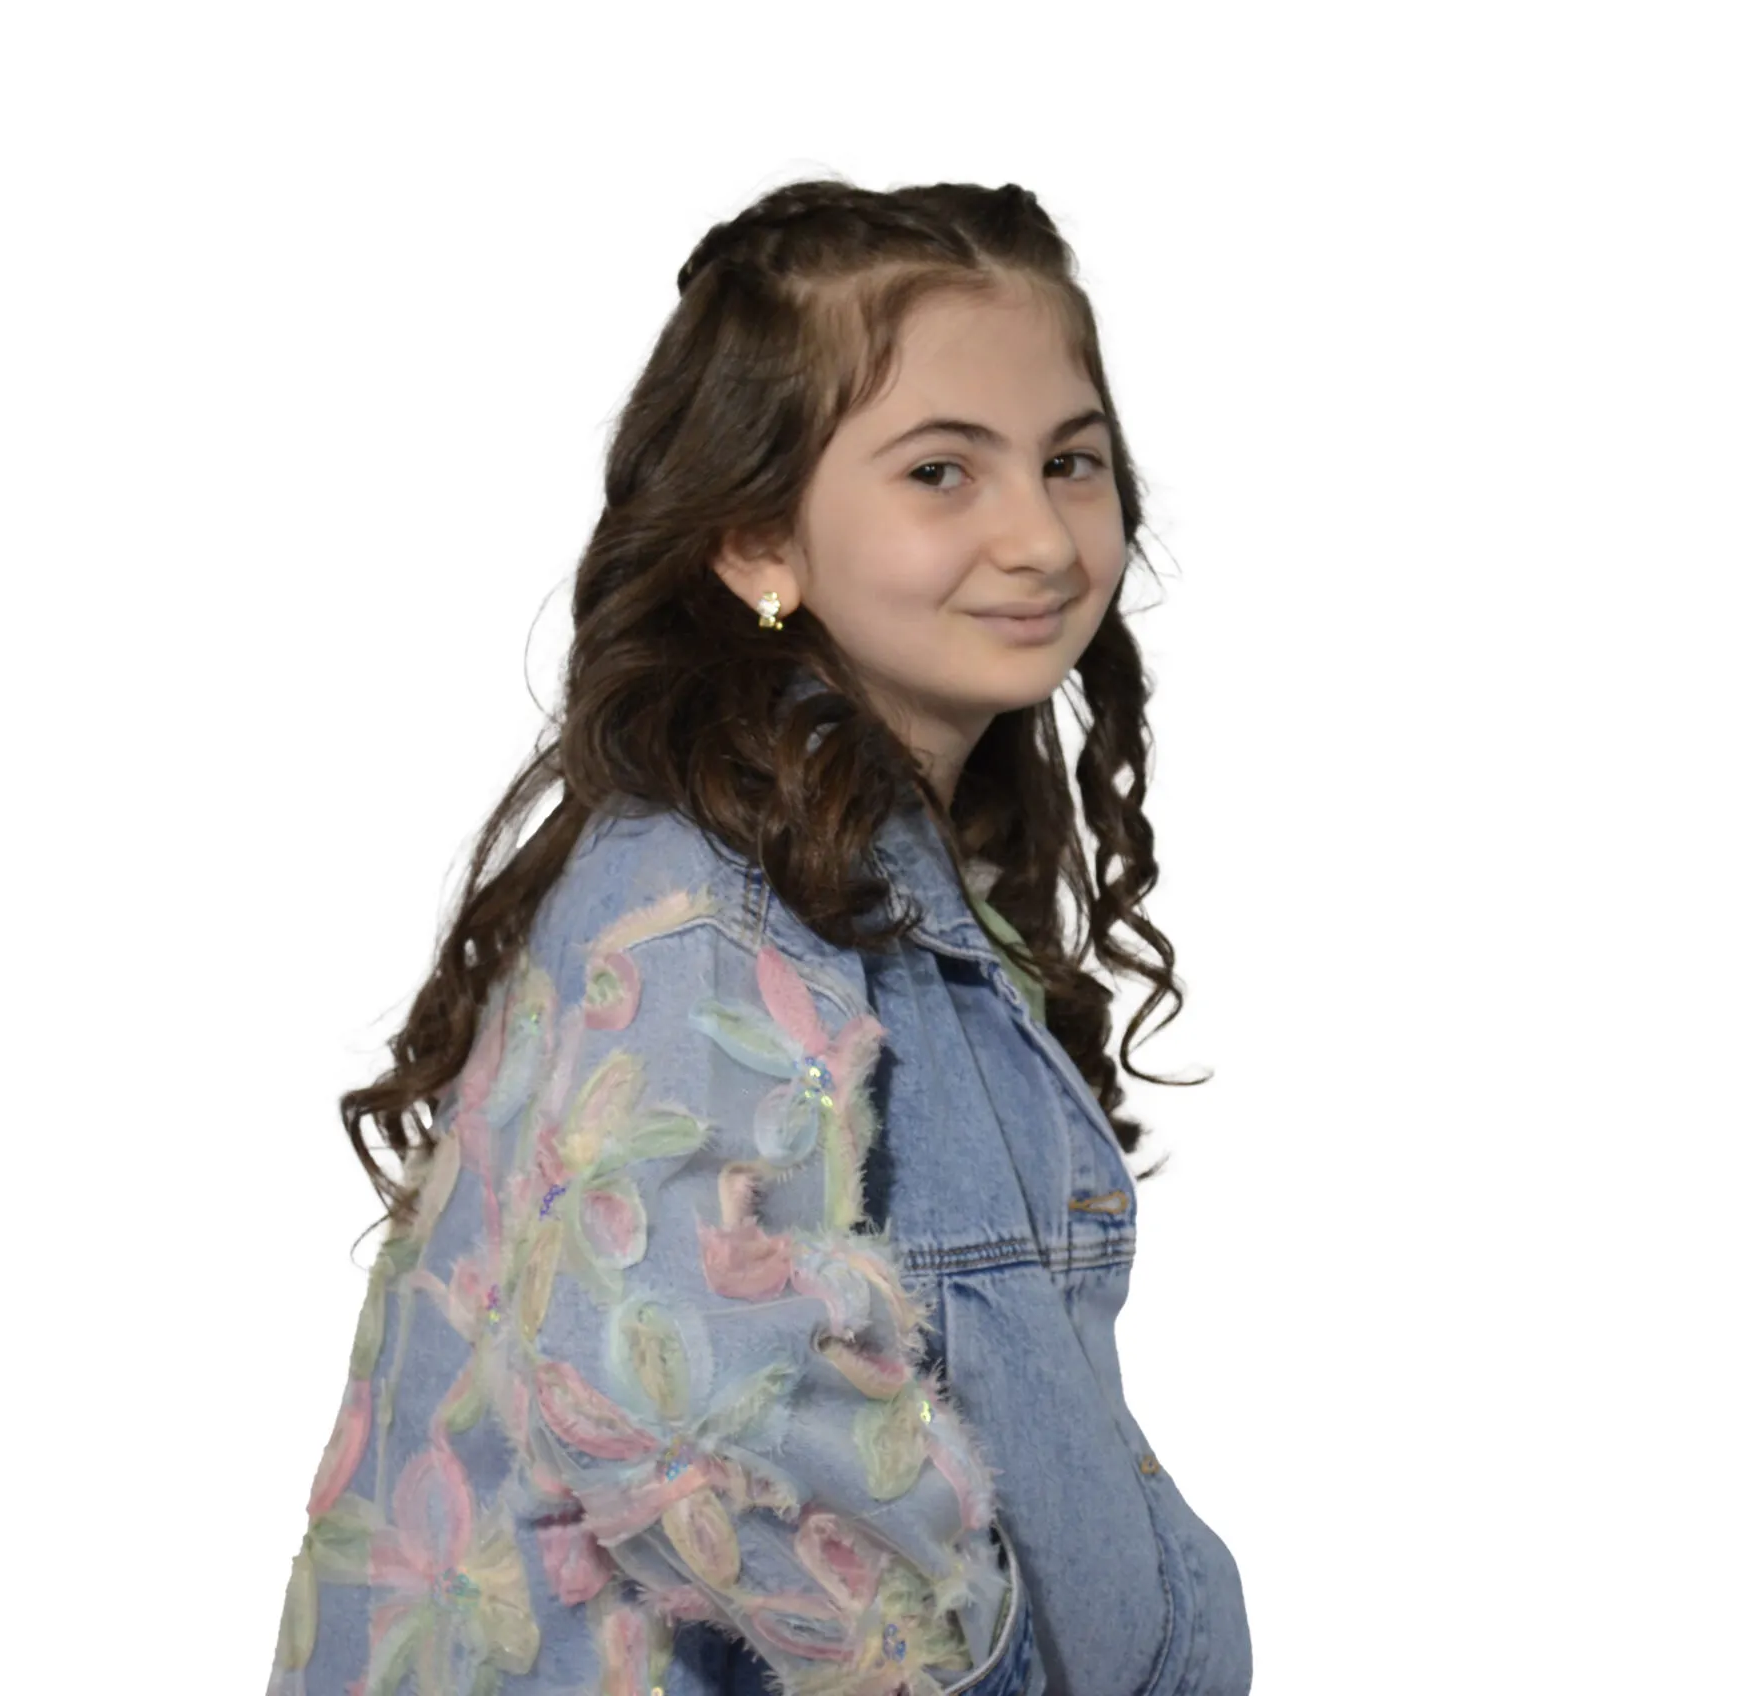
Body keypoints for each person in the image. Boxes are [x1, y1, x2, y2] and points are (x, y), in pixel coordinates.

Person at [266, 178, 1250, 1696]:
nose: (1041, 538)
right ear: (755, 542)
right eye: (942, 472)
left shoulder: (871, 877)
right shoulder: (717, 911)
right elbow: (683, 1408)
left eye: (1070, 461)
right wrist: (957, 1673)